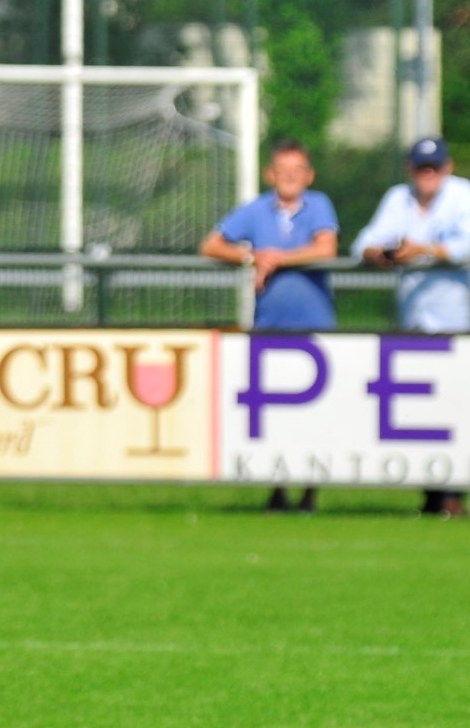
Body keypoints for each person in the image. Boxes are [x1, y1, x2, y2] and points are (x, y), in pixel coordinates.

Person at [200, 138, 339, 514]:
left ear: (308, 175)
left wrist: (278, 259)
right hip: (269, 326)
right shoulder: (257, 210)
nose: (290, 178)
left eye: (297, 171)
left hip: (314, 327)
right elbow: (211, 245)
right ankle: (277, 488)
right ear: (270, 174)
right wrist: (251, 255)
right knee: (273, 415)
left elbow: (326, 248)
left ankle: (311, 491)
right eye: (283, 171)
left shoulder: (319, 205)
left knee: (314, 416)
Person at [354, 136, 470, 518]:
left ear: (448, 167)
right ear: (410, 169)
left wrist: (425, 250)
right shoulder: (397, 199)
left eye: (434, 167)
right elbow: (363, 244)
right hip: (416, 325)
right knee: (423, 413)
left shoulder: (462, 196)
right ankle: (433, 493)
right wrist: (385, 254)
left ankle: (454, 492)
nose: (428, 174)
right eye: (421, 167)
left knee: (458, 411)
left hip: (459, 324)